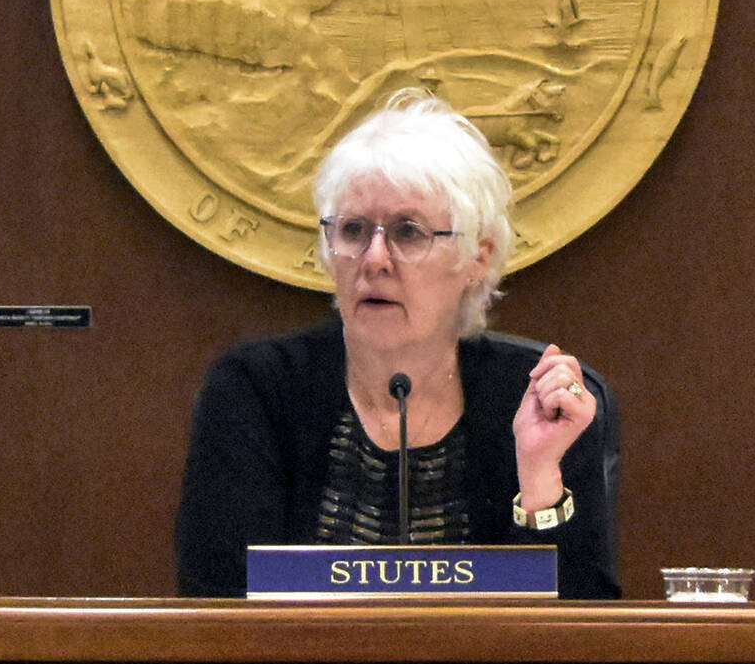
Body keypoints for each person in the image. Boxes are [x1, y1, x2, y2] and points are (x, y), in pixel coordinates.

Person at [175, 89, 620, 598]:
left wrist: (539, 477)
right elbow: (217, 604)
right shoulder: (256, 391)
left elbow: (581, 630)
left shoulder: (538, 398)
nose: (374, 258)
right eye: (354, 230)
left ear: (477, 256)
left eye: (408, 233)